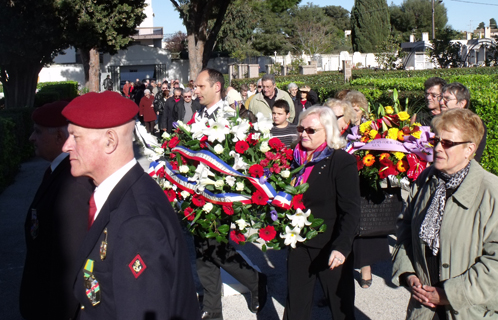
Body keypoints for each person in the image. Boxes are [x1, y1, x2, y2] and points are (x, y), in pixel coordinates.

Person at [61, 91, 200, 320]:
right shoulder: (122, 194)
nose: (66, 146)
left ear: (110, 141)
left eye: (75, 137)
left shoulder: (137, 221)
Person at [392, 108, 497, 320]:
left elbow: (495, 264)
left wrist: (449, 294)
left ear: (470, 149)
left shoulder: (491, 192)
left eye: (448, 143)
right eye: (435, 140)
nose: (438, 148)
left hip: (469, 311)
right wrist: (408, 273)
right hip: (424, 308)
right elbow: (405, 228)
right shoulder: (426, 180)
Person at [193, 68, 267, 320]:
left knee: (215, 248)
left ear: (216, 87)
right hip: (200, 192)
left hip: (221, 195)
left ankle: (256, 281)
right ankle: (212, 309)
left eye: (201, 86)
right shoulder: (200, 113)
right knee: (203, 251)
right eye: (196, 86)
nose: (196, 90)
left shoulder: (229, 116)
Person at [284, 106, 360, 320]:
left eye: (311, 130)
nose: (303, 134)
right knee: (295, 307)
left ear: (328, 131)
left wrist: (342, 247)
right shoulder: (293, 158)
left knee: (340, 308)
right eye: (301, 128)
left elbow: (351, 210)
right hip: (298, 244)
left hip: (330, 246)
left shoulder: (341, 162)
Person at [20, 101, 94, 320]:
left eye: (38, 131)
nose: (31, 138)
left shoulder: (72, 183)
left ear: (60, 138)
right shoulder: (59, 172)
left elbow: (70, 264)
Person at [439, 82, 486, 162]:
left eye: (447, 99)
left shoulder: (472, 124)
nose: (441, 102)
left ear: (462, 103)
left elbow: (473, 157)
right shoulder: (438, 121)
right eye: (441, 98)